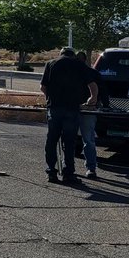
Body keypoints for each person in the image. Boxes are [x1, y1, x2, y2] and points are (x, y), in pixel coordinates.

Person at [40, 46, 98, 184]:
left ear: (61, 54)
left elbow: (43, 87)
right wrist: (92, 98)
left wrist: (49, 99)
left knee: (52, 140)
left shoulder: (51, 63)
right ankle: (68, 173)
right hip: (72, 109)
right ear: (73, 55)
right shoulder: (79, 65)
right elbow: (93, 85)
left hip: (54, 108)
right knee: (69, 142)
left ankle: (51, 172)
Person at [76, 51, 104, 180]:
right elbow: (102, 92)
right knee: (88, 140)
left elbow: (96, 90)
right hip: (88, 110)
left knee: (70, 139)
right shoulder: (93, 72)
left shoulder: (75, 72)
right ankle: (91, 168)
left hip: (76, 109)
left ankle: (68, 168)